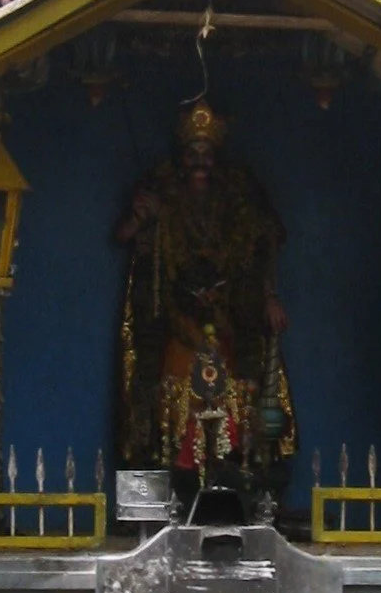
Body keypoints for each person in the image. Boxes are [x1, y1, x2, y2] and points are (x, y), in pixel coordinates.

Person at [115, 101, 295, 501]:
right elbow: (126, 237)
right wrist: (144, 215)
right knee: (173, 386)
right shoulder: (165, 199)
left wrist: (266, 297)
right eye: (192, 155)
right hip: (178, 315)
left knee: (239, 387)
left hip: (231, 316)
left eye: (206, 155)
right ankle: (175, 471)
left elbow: (265, 242)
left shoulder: (237, 204)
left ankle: (234, 468)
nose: (200, 163)